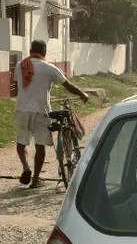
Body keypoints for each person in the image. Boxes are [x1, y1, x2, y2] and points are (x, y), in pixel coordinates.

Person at [10, 39, 89, 189]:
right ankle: (35, 180)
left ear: (30, 50)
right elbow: (68, 85)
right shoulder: (49, 68)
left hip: (22, 109)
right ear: (44, 52)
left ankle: (26, 168)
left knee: (21, 142)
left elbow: (17, 87)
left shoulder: (20, 65)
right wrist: (82, 94)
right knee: (40, 145)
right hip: (41, 111)